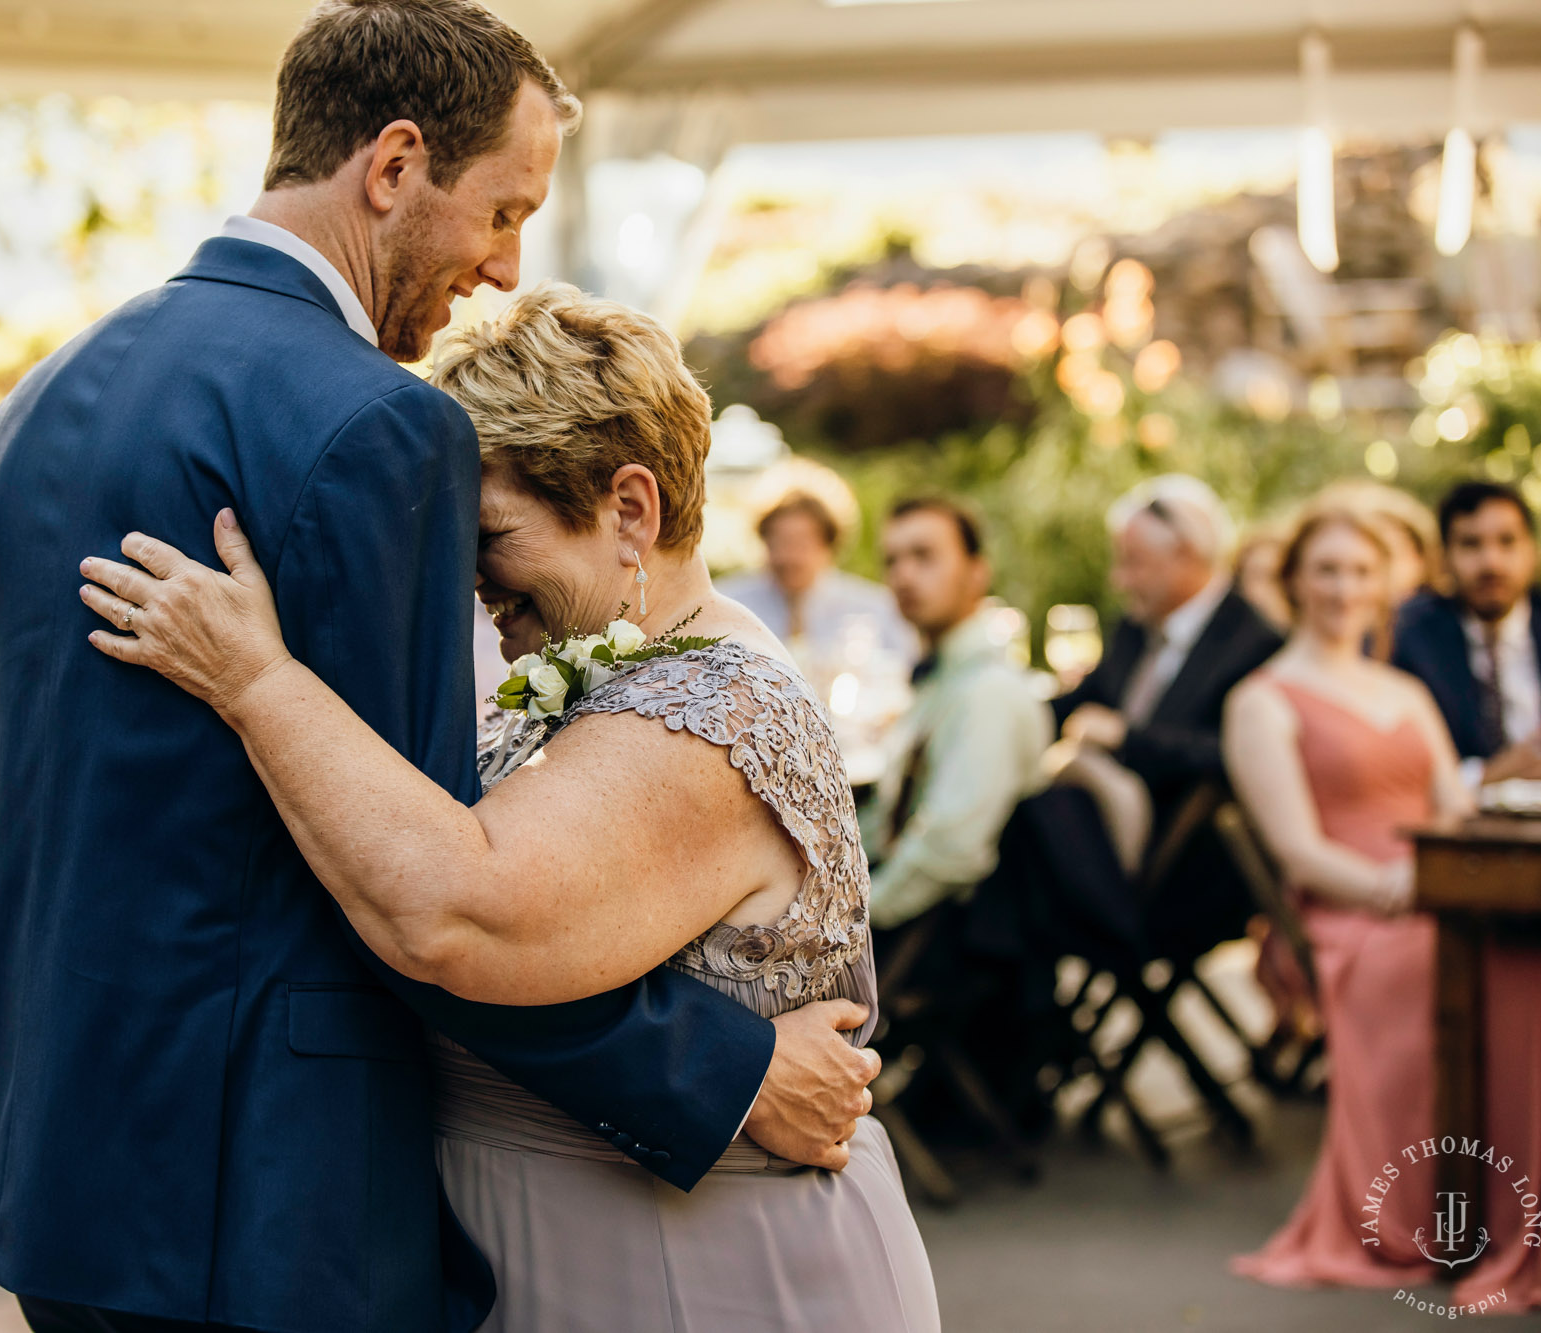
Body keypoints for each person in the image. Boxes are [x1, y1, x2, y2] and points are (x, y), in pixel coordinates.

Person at [0, 7, 877, 1332]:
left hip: (55, 1167)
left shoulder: (36, 401)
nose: (503, 266)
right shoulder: (378, 423)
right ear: (393, 167)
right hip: (265, 1191)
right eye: (500, 212)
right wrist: (723, 1072)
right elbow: (433, 896)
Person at [79, 283, 940, 1332]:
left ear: (629, 510)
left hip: (698, 1272)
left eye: (487, 532)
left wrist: (256, 681)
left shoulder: (711, 709)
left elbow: (457, 910)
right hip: (562, 1243)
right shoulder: (609, 676)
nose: (468, 576)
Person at [1225, 504, 1471, 1290]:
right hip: (1348, 913)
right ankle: (1419, 1208)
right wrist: (1393, 890)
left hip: (1440, 892)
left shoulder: (1406, 690)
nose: (1344, 587)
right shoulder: (1261, 698)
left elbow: (1453, 809)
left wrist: (1444, 877)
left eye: (1362, 571)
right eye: (1327, 568)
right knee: (1428, 957)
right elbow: (1298, 849)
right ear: (1294, 579)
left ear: (1385, 586)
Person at [1048, 475, 1283, 951]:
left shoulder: (1253, 641)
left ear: (1186, 557)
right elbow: (1076, 704)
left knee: (1027, 837)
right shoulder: (1136, 628)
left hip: (1183, 871)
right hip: (1097, 849)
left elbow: (1236, 755)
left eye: (1132, 563)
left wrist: (1127, 738)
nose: (1119, 580)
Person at [862, 498, 1052, 930]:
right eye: (892, 561)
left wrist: (848, 926)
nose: (903, 575)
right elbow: (890, 816)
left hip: (953, 945)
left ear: (977, 572)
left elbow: (950, 852)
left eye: (924, 556)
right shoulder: (939, 680)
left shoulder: (989, 693)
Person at [1391, 480, 1541, 790]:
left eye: (1507, 541)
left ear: (1533, 551)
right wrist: (1491, 774)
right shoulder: (1410, 639)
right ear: (1444, 558)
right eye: (1471, 544)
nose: (1491, 562)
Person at [717, 464, 915, 675]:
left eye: (802, 543)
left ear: (828, 546)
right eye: (778, 542)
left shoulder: (876, 608)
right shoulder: (729, 604)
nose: (788, 556)